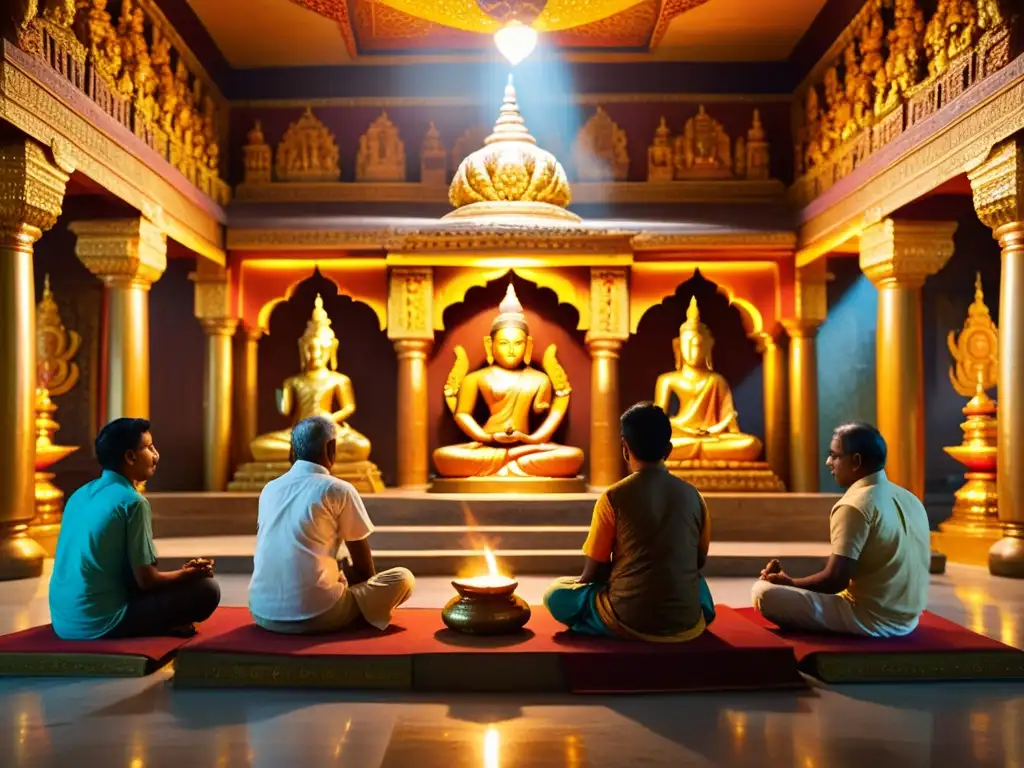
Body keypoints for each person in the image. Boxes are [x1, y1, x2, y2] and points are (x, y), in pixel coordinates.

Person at [544, 402, 715, 641]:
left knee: (556, 594)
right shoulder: (694, 496)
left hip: (626, 619)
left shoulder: (613, 497)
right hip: (685, 623)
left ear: (625, 448)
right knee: (699, 587)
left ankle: (605, 623)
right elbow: (697, 561)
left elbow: (590, 574)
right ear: (668, 450)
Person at [752, 421, 930, 637]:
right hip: (910, 620)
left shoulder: (855, 504)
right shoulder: (910, 498)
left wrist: (790, 584)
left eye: (835, 455)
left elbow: (835, 580)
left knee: (763, 593)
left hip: (872, 620)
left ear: (855, 461)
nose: (828, 462)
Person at [49, 418, 221, 640]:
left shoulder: (79, 494)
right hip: (99, 623)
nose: (156, 455)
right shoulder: (132, 502)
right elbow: (146, 581)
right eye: (149, 448)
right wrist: (187, 575)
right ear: (130, 457)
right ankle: (160, 628)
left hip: (64, 620)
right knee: (206, 590)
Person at [248, 415, 415, 634]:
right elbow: (365, 569)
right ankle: (352, 615)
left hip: (261, 613)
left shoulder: (269, 489)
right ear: (332, 448)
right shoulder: (338, 489)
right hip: (318, 614)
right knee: (403, 578)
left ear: (291, 451)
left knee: (336, 573)